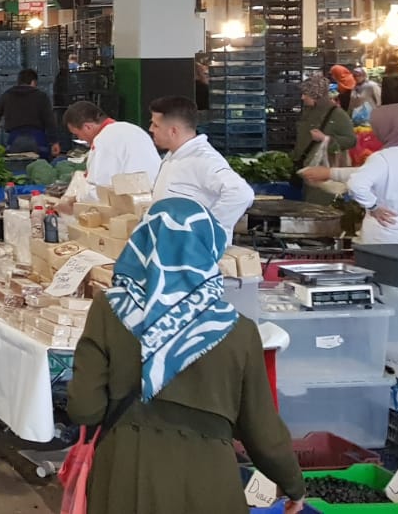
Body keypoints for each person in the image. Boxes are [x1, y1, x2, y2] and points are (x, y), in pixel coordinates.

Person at [66, 198, 305, 514]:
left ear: (142, 241)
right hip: (209, 485)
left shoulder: (109, 311)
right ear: (209, 251)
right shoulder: (238, 330)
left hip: (122, 476)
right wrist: (293, 486)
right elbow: (262, 429)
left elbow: (84, 409)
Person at [302, 104, 398, 245]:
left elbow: (357, 184)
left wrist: (373, 207)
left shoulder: (382, 158)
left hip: (386, 232)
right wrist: (330, 173)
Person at [147, 96, 254, 233]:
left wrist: (207, 228)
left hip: (196, 249)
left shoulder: (204, 159)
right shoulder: (171, 156)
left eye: (156, 125)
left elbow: (241, 193)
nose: (151, 129)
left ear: (173, 131)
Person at [57, 101, 162, 213]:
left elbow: (100, 190)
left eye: (78, 134)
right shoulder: (132, 129)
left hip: (134, 206)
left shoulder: (103, 139)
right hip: (156, 197)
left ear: (87, 127)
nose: (81, 139)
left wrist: (74, 201)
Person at [290, 74, 356, 205]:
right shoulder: (308, 111)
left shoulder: (337, 115)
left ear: (317, 96)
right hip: (308, 170)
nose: (302, 98)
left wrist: (326, 139)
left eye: (306, 94)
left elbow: (351, 140)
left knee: (320, 208)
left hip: (325, 174)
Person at [0, 69, 59, 155]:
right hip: (38, 140)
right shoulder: (42, 96)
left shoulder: (6, 96)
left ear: (19, 81)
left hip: (14, 140)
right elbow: (49, 121)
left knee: (16, 165)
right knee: (40, 166)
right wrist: (54, 141)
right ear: (33, 82)